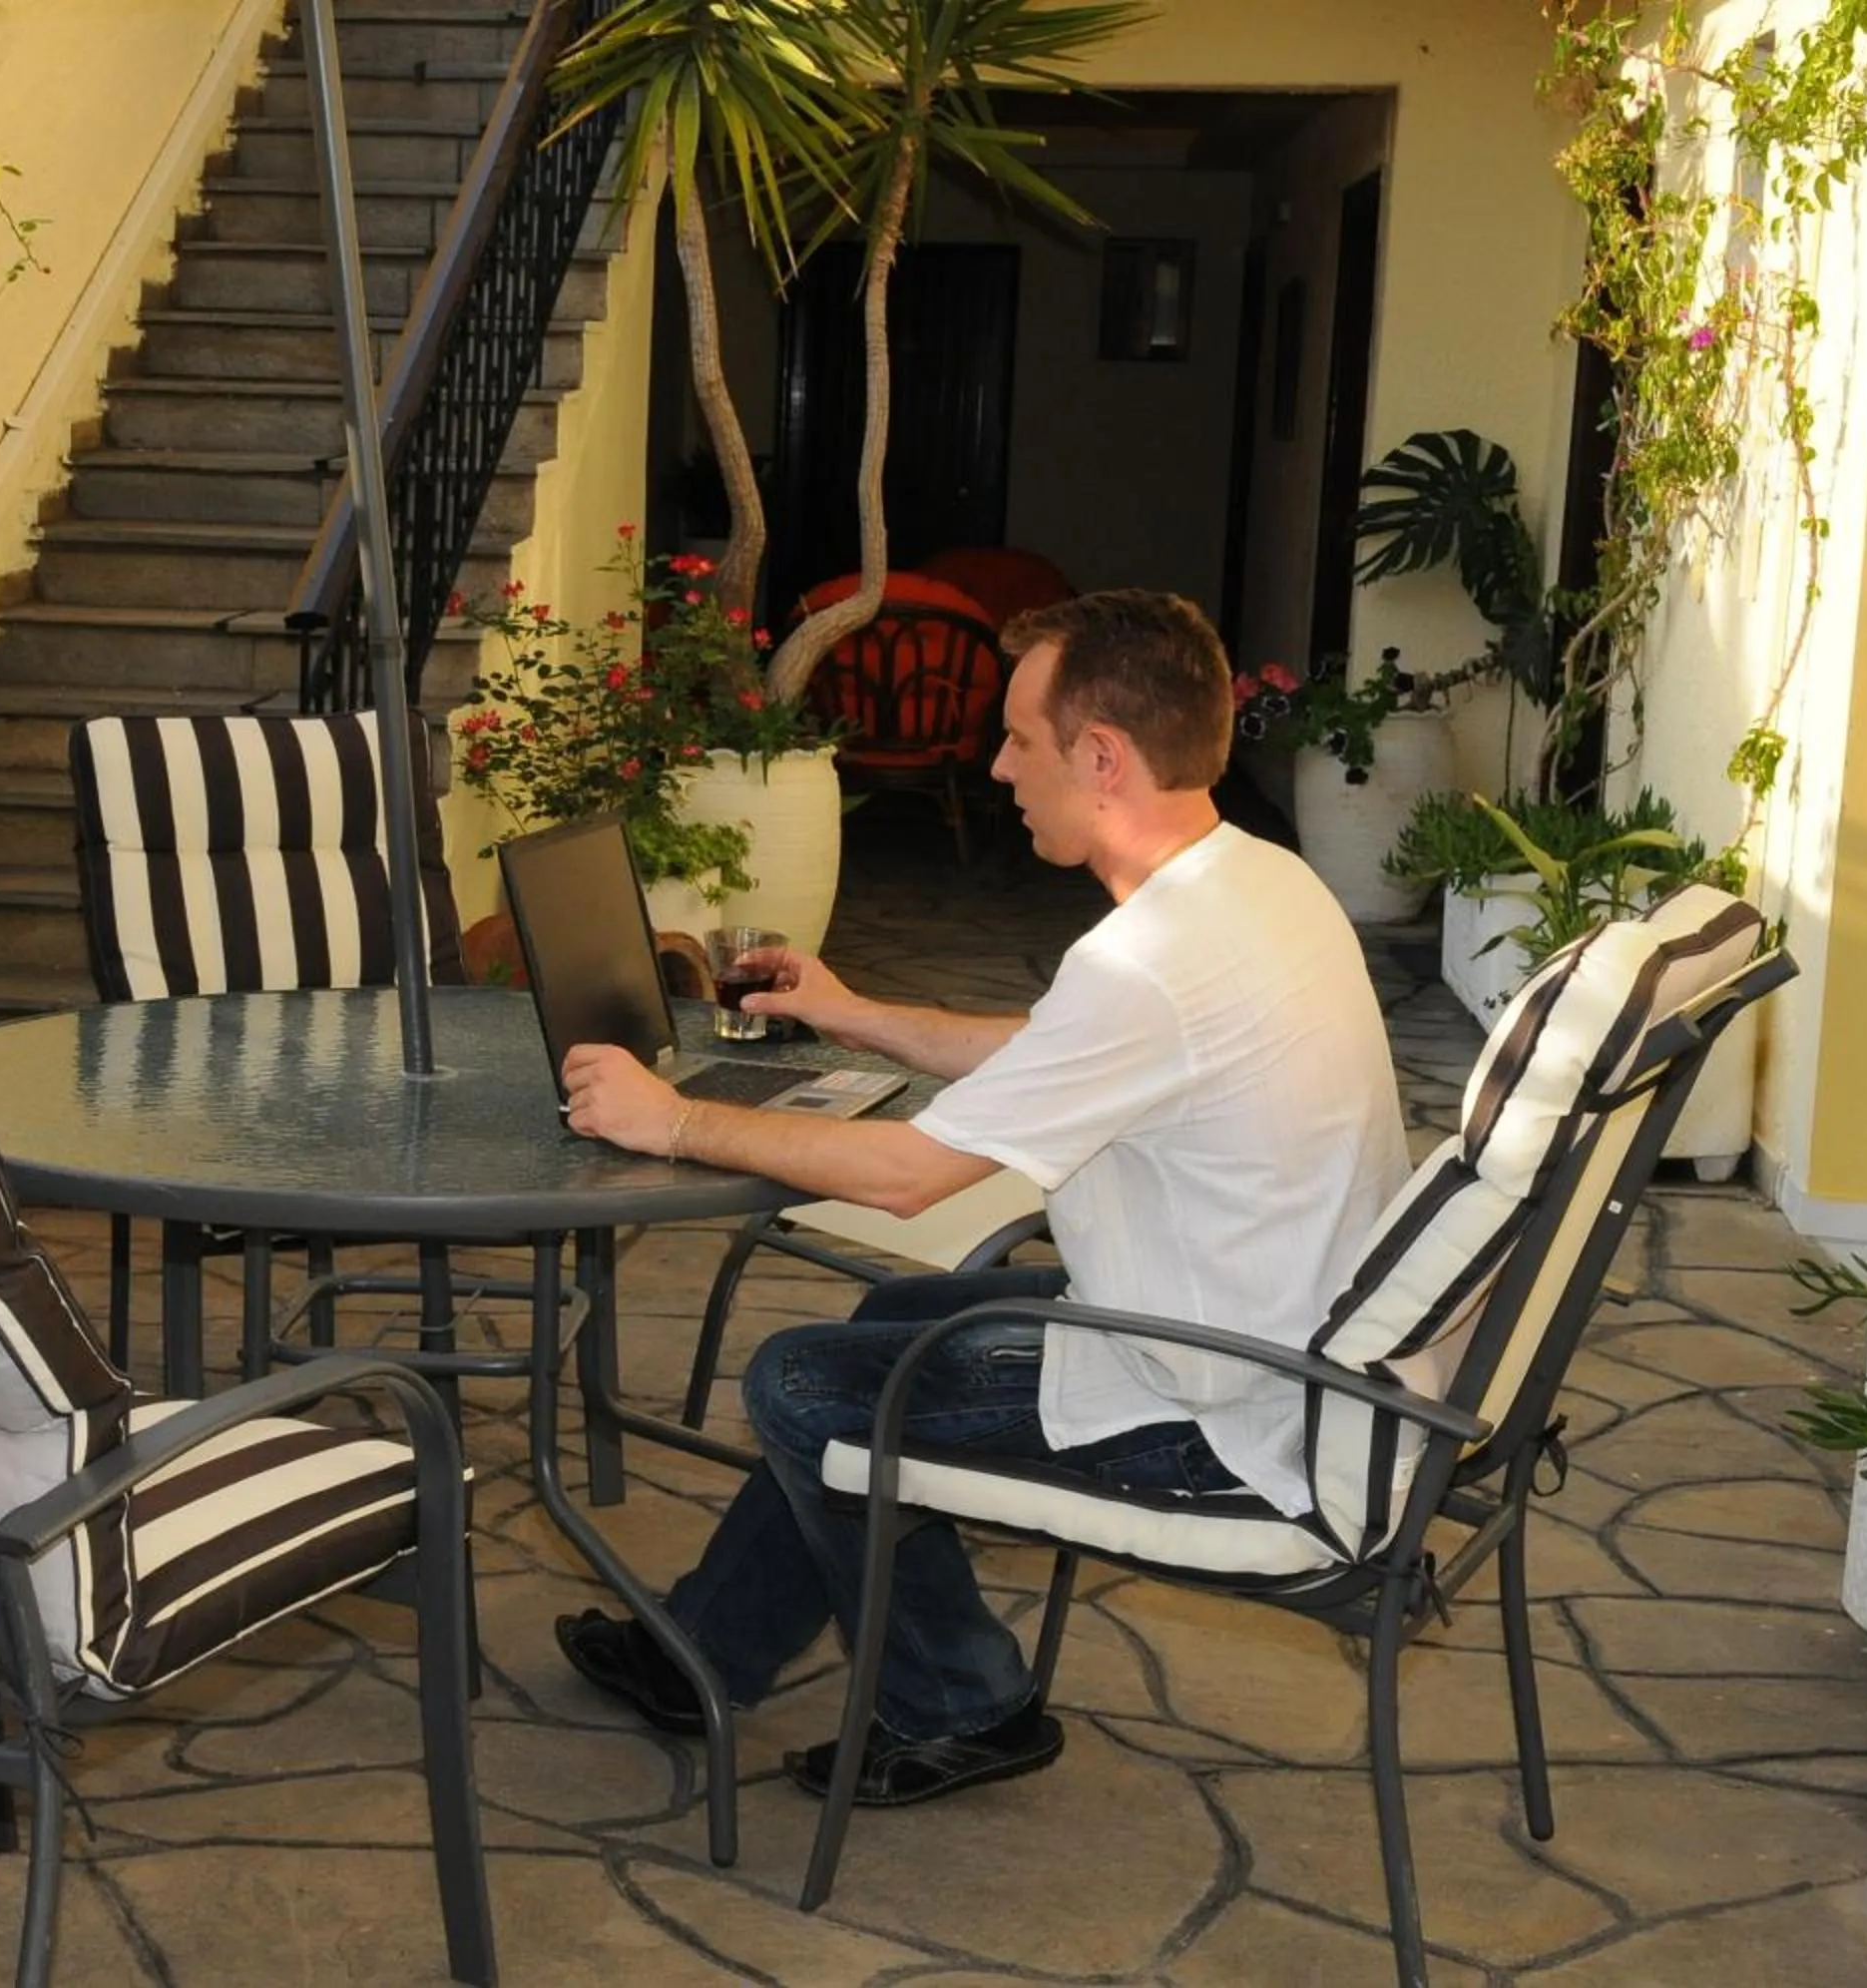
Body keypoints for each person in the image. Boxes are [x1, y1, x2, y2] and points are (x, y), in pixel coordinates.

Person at [553, 589, 1411, 1807]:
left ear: (1100, 757)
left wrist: (672, 1118)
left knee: (802, 1386)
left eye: (1019, 737)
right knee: (883, 1337)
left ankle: (963, 1704)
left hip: (1221, 1412)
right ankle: (699, 1655)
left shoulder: (1146, 963)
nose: (998, 764)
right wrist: (849, 1012)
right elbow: (1057, 1050)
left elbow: (909, 1179)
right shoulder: (1257, 885)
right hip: (1279, 1342)